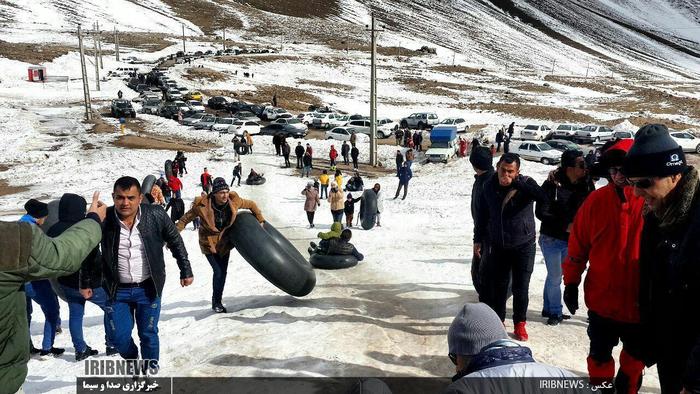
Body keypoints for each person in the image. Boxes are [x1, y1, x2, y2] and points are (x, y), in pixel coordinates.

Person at [1, 191, 105, 394]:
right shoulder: (14, 237)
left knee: (45, 313)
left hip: (60, 285)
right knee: (52, 312)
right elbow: (62, 255)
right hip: (5, 381)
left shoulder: (36, 228)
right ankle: (50, 347)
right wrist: (93, 220)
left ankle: (58, 347)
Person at [622, 124, 700, 394]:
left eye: (644, 183)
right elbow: (651, 284)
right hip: (671, 354)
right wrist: (640, 347)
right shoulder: (657, 217)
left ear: (674, 174)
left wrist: (695, 381)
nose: (636, 193)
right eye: (632, 184)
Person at [563, 139, 645, 392]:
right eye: (613, 170)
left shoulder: (651, 201)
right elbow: (577, 246)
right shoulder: (595, 201)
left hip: (640, 304)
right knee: (599, 358)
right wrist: (571, 283)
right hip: (602, 302)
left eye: (624, 169)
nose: (619, 176)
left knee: (634, 362)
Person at [101, 176, 193, 375]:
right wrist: (85, 281)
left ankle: (150, 372)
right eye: (120, 198)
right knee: (118, 338)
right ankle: (133, 360)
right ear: (113, 197)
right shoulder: (105, 218)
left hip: (148, 287)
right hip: (117, 290)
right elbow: (88, 251)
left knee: (148, 333)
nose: (125, 203)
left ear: (140, 197)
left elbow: (175, 241)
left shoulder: (155, 214)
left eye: (131, 198)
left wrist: (185, 269)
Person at [474, 153, 546, 341]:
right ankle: (499, 322)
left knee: (521, 287)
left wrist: (518, 184)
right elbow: (482, 214)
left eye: (510, 171)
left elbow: (543, 198)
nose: (505, 174)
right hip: (499, 245)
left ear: (517, 171)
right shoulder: (488, 185)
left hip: (524, 245)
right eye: (502, 170)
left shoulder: (526, 184)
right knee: (500, 286)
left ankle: (520, 323)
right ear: (497, 167)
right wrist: (478, 239)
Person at [444, 303, 575, 394]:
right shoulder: (565, 379)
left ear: (465, 353)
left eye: (454, 358)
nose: (456, 368)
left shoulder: (462, 390)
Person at [177, 178, 264, 313]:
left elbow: (251, 204)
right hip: (209, 243)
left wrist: (260, 219)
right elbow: (185, 219)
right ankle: (216, 302)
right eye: (221, 192)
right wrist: (173, 235)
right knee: (218, 272)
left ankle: (217, 300)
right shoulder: (202, 206)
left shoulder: (234, 202)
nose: (225, 195)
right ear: (214, 193)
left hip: (224, 243)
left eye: (227, 191)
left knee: (222, 274)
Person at [47, 193, 116, 361]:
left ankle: (80, 349)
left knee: (75, 315)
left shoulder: (52, 229)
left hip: (66, 283)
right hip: (91, 283)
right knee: (111, 308)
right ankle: (112, 344)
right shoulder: (84, 229)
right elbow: (92, 258)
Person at [535, 150, 593, 326]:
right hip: (551, 238)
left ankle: (547, 307)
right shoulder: (552, 184)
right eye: (581, 165)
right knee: (555, 276)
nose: (585, 168)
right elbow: (541, 212)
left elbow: (592, 205)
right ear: (569, 168)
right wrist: (564, 225)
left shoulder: (586, 184)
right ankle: (555, 312)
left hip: (573, 239)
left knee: (557, 275)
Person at [20, 199, 64, 357]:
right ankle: (47, 348)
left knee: (25, 314)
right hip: (34, 279)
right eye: (45, 216)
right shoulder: (34, 230)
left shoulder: (20, 225)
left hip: (19, 279)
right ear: (39, 216)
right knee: (52, 310)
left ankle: (26, 347)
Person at [469, 147, 494, 299]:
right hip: (483, 233)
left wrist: (477, 239)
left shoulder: (488, 183)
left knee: (481, 271)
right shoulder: (482, 179)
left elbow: (482, 215)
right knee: (479, 270)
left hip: (487, 235)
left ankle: (489, 300)